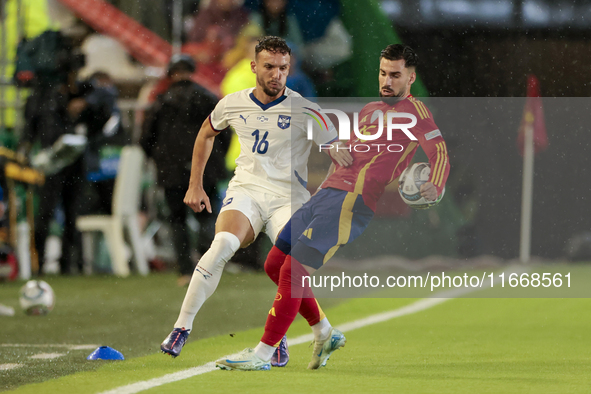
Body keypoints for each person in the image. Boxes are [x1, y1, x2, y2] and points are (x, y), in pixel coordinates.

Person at [215, 44, 451, 371]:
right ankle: (324, 332)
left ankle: (264, 354)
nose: (387, 80)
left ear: (410, 78)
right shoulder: (369, 110)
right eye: (383, 73)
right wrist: (322, 184)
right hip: (326, 194)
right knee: (274, 263)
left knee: (293, 270)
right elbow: (347, 153)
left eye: (395, 75)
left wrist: (436, 185)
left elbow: (438, 151)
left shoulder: (416, 112)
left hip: (352, 200)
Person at [160, 37, 353, 367]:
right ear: (254, 67)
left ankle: (286, 338)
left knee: (286, 267)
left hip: (288, 198)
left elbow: (337, 148)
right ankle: (181, 328)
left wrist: (337, 156)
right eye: (269, 67)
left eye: (282, 68)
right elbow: (206, 133)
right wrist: (196, 185)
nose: (276, 74)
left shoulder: (305, 109)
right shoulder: (232, 103)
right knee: (220, 246)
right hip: (246, 191)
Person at [140, 55, 229, 286]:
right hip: (206, 170)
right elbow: (225, 133)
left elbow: (145, 138)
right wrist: (214, 160)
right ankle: (210, 266)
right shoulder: (208, 98)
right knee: (207, 217)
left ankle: (185, 270)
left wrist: (160, 160)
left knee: (177, 219)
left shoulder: (161, 102)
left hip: (171, 171)